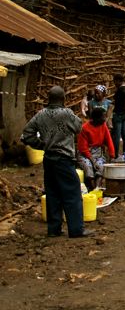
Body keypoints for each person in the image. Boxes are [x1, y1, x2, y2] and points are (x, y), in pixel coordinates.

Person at [21, 86, 92, 238]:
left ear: (49, 98)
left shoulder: (41, 115)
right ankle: (76, 230)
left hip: (49, 159)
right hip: (64, 159)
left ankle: (54, 229)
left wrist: (41, 144)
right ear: (63, 99)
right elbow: (79, 127)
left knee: (53, 194)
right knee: (72, 193)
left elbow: (26, 135)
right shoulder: (66, 113)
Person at [78, 107, 115, 190]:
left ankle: (97, 188)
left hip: (98, 153)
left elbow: (109, 141)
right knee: (88, 166)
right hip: (85, 154)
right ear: (97, 118)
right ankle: (92, 187)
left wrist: (112, 155)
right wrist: (93, 161)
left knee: (101, 166)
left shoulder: (103, 126)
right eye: (103, 117)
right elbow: (83, 148)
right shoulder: (85, 128)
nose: (105, 118)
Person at [111, 73, 125, 159]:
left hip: (119, 114)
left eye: (115, 81)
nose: (114, 84)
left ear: (118, 81)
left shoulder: (121, 89)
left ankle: (115, 155)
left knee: (117, 136)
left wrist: (123, 107)